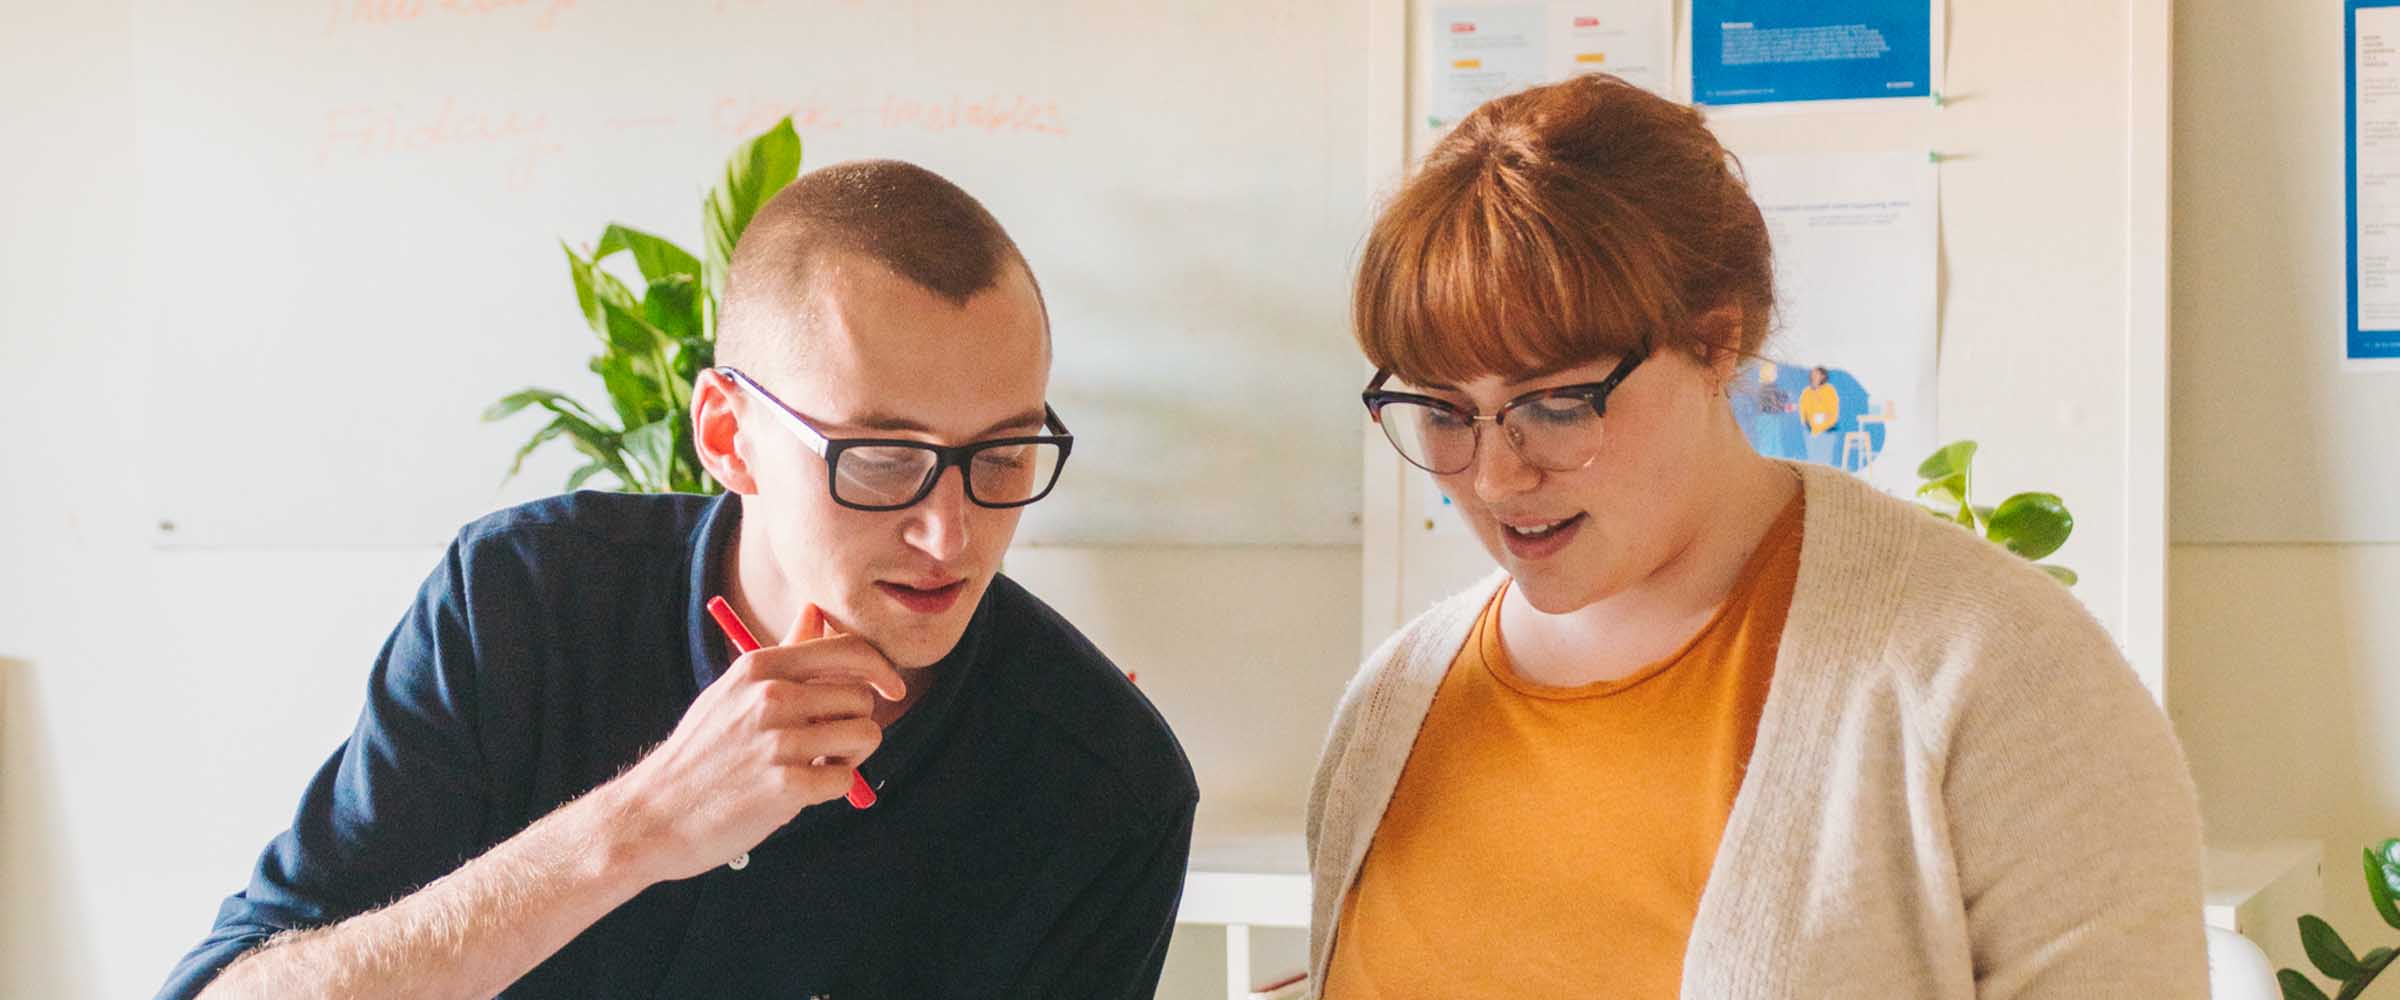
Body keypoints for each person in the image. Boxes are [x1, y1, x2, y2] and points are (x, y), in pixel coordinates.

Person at [159, 160, 1198, 999]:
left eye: (1005, 454)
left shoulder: (1104, 783)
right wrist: (639, 828)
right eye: (882, 459)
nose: (950, 532)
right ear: (726, 435)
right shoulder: (520, 604)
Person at [1310, 75, 2205, 997]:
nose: (1496, 477)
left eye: (1558, 405)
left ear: (1715, 342)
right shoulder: (1396, 703)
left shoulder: (1996, 675)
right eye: (1443, 412)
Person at [1800, 364, 1841, 467]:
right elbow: (1802, 409)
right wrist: (1805, 423)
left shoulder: (1830, 390)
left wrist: (1827, 420)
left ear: (1823, 376)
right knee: (1813, 461)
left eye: (1816, 373)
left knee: (1825, 460)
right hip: (1811, 431)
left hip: (1827, 430)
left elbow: (1834, 409)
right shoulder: (1806, 392)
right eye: (1812, 373)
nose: (1813, 375)